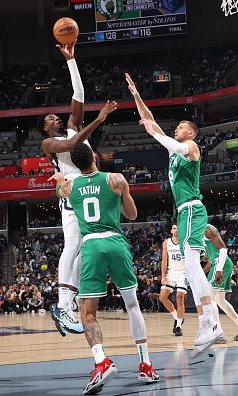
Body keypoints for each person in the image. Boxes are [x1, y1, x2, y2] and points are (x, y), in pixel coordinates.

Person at [50, 143, 159, 395]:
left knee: (87, 314)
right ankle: (145, 364)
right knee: (132, 305)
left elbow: (59, 186)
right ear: (95, 158)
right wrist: (117, 199)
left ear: (76, 165)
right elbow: (131, 214)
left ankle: (102, 362)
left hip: (90, 247)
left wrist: (59, 177)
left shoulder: (69, 187)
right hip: (115, 241)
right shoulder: (116, 179)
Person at [125, 73, 223, 349]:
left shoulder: (191, 146)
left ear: (189, 131)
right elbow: (153, 123)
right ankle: (210, 319)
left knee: (192, 266)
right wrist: (136, 96)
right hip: (184, 212)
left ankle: (209, 321)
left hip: (192, 208)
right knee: (192, 270)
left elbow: (173, 142)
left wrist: (155, 133)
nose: (176, 129)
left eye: (180, 126)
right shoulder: (173, 152)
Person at [39, 40, 118, 336]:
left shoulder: (73, 123)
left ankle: (68, 302)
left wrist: (71, 61)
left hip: (89, 190)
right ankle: (61, 303)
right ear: (45, 128)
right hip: (71, 193)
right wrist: (98, 121)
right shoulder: (49, 143)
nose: (55, 118)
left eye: (55, 115)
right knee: (72, 246)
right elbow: (72, 145)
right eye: (49, 118)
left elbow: (79, 95)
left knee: (85, 251)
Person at [202, 224, 238, 343]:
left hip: (221, 264)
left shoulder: (208, 229)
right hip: (221, 264)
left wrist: (219, 269)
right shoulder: (199, 234)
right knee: (220, 300)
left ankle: (218, 334)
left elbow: (223, 249)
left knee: (209, 300)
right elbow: (211, 260)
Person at [159, 224, 187, 337]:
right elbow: (164, 260)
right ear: (171, 231)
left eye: (178, 228)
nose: (176, 230)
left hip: (183, 273)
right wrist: (163, 275)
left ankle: (178, 326)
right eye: (174, 228)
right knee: (162, 297)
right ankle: (177, 317)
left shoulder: (185, 242)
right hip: (171, 272)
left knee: (179, 298)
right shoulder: (166, 242)